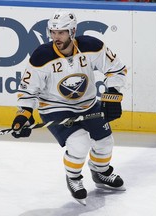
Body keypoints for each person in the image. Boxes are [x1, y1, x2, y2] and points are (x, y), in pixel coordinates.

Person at [11, 9, 127, 206]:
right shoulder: (42, 56)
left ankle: (100, 172)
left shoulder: (92, 46)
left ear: (72, 31)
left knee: (106, 142)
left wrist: (113, 95)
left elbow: (116, 69)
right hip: (55, 108)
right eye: (53, 32)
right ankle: (74, 178)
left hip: (88, 104)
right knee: (79, 144)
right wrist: (24, 114)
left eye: (62, 32)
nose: (56, 37)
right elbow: (28, 90)